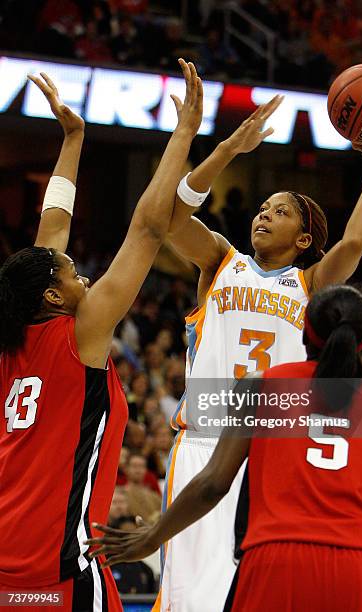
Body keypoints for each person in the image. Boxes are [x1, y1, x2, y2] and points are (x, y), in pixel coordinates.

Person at [149, 94, 362, 611]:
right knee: (188, 598)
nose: (264, 214)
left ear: (305, 236)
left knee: (261, 592)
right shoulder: (220, 261)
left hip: (272, 446)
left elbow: (355, 242)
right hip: (204, 437)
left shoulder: (310, 283)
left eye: (281, 211)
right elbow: (169, 219)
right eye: (263, 208)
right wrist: (225, 150)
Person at [86, 285, 362, 611]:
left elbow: (213, 484)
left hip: (277, 560)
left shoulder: (261, 387)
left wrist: (152, 538)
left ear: (302, 332)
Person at [0, 59, 203, 610]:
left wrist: (73, 139)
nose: (83, 275)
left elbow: (51, 232)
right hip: (58, 568)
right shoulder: (80, 335)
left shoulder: (14, 341)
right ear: (53, 296)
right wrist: (184, 133)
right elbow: (148, 227)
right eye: (72, 274)